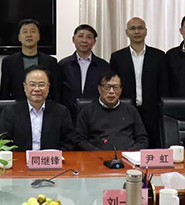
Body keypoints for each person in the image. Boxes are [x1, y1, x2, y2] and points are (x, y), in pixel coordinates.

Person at [109, 17, 168, 147]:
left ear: (146, 31)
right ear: (127, 32)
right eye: (132, 28)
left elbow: (164, 85)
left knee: (153, 147)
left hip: (152, 111)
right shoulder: (117, 57)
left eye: (140, 28)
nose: (137, 32)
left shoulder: (158, 56)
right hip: (125, 110)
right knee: (127, 146)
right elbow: (113, 85)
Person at [0, 66, 73, 152]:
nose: (37, 89)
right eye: (32, 85)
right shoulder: (10, 112)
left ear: (48, 87)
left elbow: (68, 143)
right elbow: (3, 142)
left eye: (41, 85)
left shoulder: (61, 112)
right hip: (20, 159)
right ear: (25, 87)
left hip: (50, 159)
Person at [74, 71, 148, 151]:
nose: (111, 92)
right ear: (99, 88)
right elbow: (79, 140)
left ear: (121, 90)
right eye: (107, 87)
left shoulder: (131, 111)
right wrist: (99, 153)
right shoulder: (87, 112)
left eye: (116, 87)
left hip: (128, 156)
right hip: (97, 156)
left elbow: (142, 140)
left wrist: (128, 154)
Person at [58, 24, 110, 122]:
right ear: (73, 39)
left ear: (94, 42)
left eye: (89, 37)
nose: (84, 40)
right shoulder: (63, 65)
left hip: (95, 115)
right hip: (68, 116)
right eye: (80, 36)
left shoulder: (104, 66)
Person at [0, 19, 60, 101]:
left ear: (38, 36)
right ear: (19, 37)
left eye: (32, 31)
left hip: (43, 107)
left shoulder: (50, 62)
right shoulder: (8, 62)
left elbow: (56, 93)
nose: (29, 35)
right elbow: (5, 94)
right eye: (25, 32)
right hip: (18, 107)